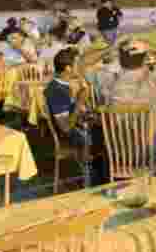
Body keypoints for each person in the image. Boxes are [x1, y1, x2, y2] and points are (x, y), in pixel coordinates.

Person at [44, 47, 109, 184]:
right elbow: (66, 127)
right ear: (68, 68)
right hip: (72, 134)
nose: (82, 67)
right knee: (109, 136)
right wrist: (80, 101)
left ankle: (106, 176)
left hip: (80, 125)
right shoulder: (56, 90)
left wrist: (89, 112)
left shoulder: (64, 84)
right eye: (78, 64)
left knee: (112, 128)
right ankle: (95, 181)